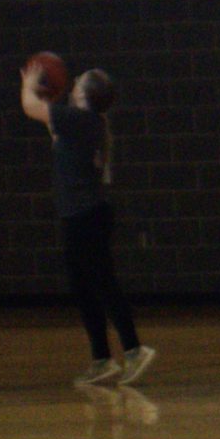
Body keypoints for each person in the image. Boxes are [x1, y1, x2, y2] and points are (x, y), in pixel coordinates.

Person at [20, 62, 153, 386]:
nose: (73, 81)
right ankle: (102, 359)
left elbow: (30, 108)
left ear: (84, 93)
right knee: (84, 288)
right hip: (83, 214)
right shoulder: (83, 123)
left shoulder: (80, 120)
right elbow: (53, 129)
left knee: (103, 284)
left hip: (86, 216)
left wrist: (28, 82)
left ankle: (134, 350)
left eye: (78, 82)